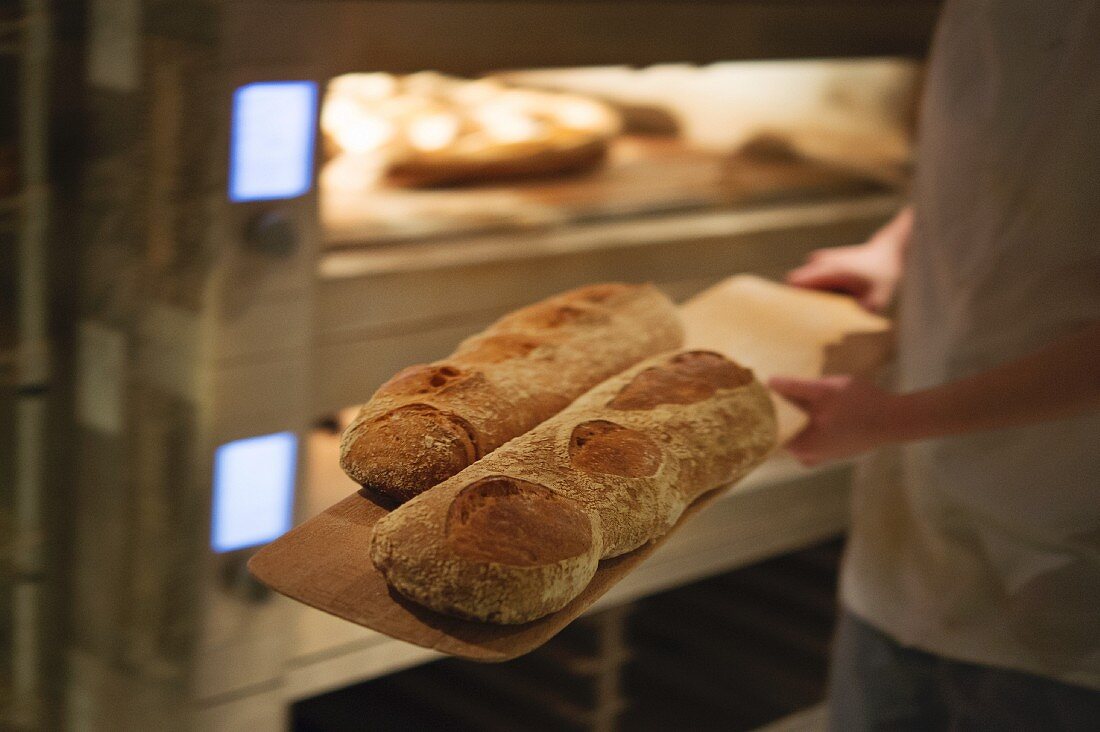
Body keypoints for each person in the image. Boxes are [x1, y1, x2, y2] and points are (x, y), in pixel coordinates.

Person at [767, 2, 1100, 729]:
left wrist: (898, 418)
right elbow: (1005, 149)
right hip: (909, 538)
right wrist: (897, 246)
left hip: (1071, 572)